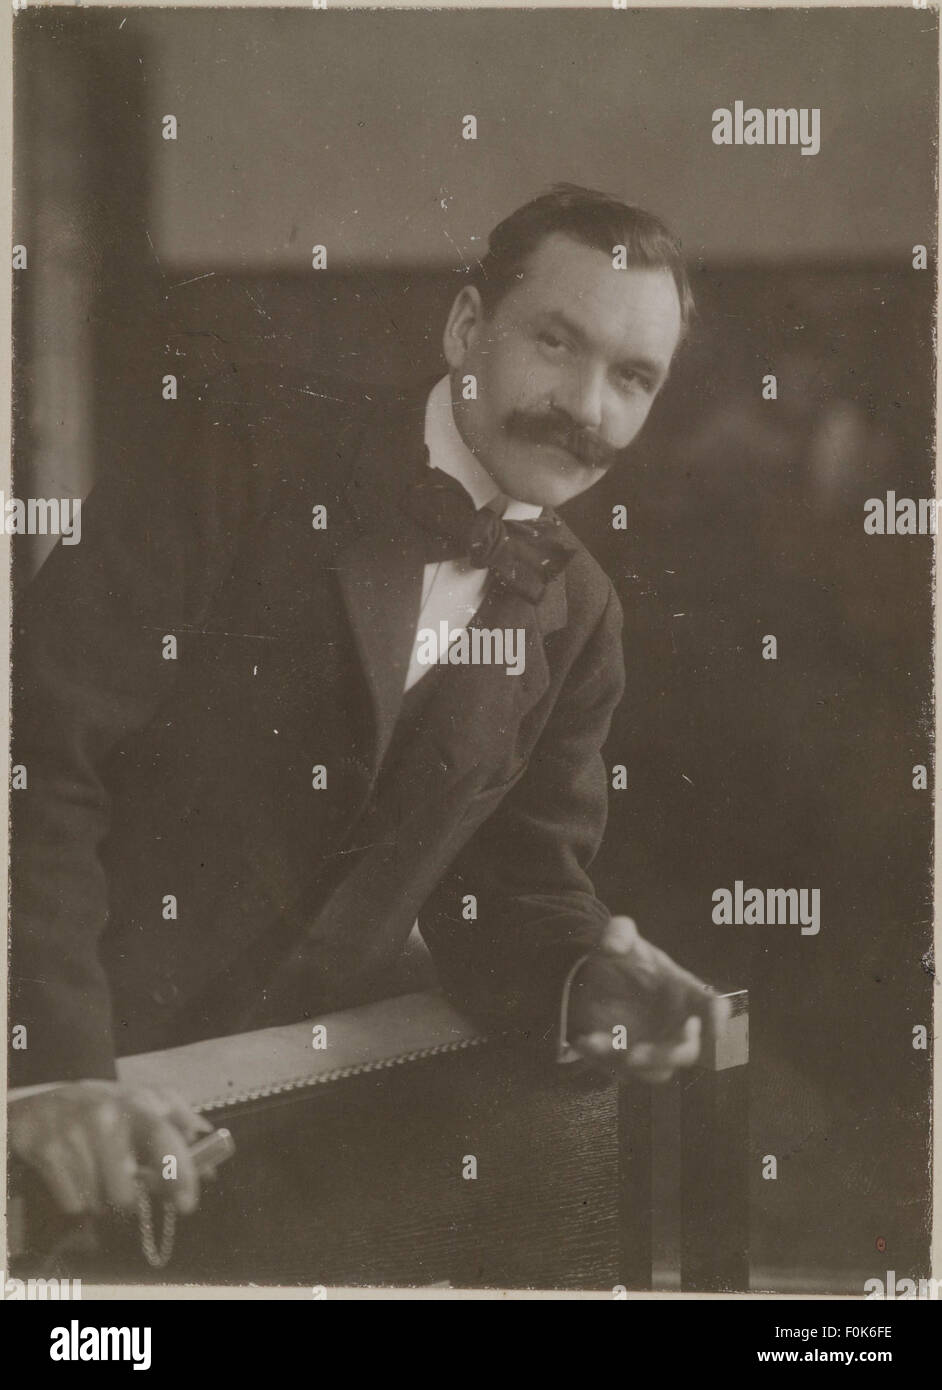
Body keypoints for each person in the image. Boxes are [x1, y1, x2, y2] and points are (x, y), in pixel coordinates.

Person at [9, 184, 729, 1219]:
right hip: (45, 1082)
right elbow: (35, 754)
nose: (586, 407)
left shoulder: (582, 613)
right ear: (468, 326)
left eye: (632, 376)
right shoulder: (239, 449)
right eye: (556, 343)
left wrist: (585, 984)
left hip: (263, 1134)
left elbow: (516, 886)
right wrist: (50, 1070)